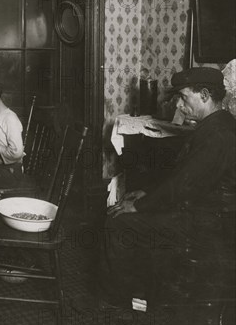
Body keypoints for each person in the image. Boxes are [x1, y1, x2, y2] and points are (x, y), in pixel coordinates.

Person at [97, 67, 236, 310]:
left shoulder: (218, 135)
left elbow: (183, 188)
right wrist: (147, 193)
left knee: (119, 223)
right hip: (202, 215)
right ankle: (143, 293)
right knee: (130, 212)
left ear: (204, 95)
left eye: (184, 97)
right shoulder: (216, 125)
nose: (179, 106)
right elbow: (183, 179)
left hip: (207, 225)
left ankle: (121, 302)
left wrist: (139, 206)